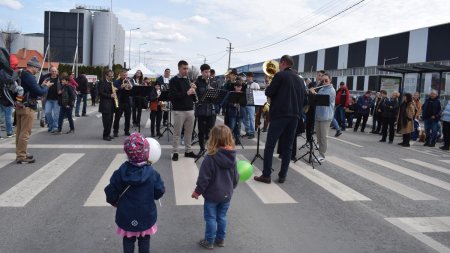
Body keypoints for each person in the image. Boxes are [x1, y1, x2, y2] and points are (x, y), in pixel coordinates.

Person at [105, 132, 165, 253]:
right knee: (144, 239)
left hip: (126, 214)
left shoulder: (121, 172)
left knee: (128, 239)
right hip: (146, 214)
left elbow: (111, 191)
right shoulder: (152, 173)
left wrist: (113, 201)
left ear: (127, 153)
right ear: (146, 152)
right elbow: (159, 191)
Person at [254, 55, 306, 184]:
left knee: (270, 145)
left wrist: (269, 86)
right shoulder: (300, 79)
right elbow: (305, 100)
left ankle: (266, 175)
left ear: (283, 63)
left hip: (280, 115)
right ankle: (283, 175)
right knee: (287, 147)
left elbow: (269, 93)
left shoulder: (280, 75)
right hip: (295, 116)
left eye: (279, 64)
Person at [191, 125, 239, 250]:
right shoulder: (233, 157)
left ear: (213, 139)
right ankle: (221, 239)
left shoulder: (210, 158)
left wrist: (197, 192)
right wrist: (231, 187)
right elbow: (236, 177)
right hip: (226, 195)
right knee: (222, 217)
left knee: (211, 218)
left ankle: (209, 241)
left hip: (212, 195)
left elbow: (203, 179)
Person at [16, 57, 52, 163]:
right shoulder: (30, 77)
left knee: (19, 132)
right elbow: (39, 92)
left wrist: (41, 85)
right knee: (25, 132)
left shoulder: (21, 75)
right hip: (28, 107)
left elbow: (33, 89)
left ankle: (20, 152)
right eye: (37, 68)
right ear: (32, 67)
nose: (37, 71)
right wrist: (46, 87)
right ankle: (22, 156)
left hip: (20, 105)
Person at [169, 60, 197, 161]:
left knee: (189, 132)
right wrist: (187, 92)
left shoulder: (188, 80)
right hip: (179, 110)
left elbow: (192, 97)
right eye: (184, 68)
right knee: (177, 133)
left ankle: (188, 151)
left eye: (187, 68)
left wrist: (194, 91)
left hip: (190, 109)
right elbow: (173, 96)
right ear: (179, 68)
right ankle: (175, 152)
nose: (186, 70)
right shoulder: (173, 80)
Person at [311, 73, 336, 161]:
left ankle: (322, 155)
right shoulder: (321, 89)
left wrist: (315, 94)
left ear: (330, 81)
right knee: (318, 136)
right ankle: (319, 152)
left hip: (326, 116)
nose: (324, 82)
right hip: (318, 115)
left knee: (323, 137)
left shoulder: (332, 90)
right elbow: (316, 101)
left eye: (326, 80)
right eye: (323, 81)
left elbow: (325, 101)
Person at [195, 64, 216, 153]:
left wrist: (213, 92)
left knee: (211, 130)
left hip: (211, 110)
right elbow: (196, 97)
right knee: (201, 131)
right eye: (205, 72)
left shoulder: (213, 82)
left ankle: (210, 147)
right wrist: (206, 92)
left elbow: (217, 95)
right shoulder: (197, 82)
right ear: (202, 72)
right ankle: (202, 148)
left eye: (209, 72)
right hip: (201, 110)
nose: (208, 74)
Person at [40, 66, 61, 133]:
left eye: (55, 71)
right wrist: (42, 85)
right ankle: (51, 126)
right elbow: (42, 87)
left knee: (56, 114)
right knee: (47, 112)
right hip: (48, 99)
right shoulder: (47, 79)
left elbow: (64, 86)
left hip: (57, 99)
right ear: (50, 72)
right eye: (52, 71)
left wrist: (61, 91)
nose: (54, 72)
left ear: (57, 72)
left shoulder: (59, 79)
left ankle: (55, 127)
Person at [113, 69, 132, 137]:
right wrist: (120, 87)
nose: (125, 76)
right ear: (120, 75)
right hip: (120, 101)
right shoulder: (116, 82)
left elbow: (131, 91)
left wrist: (130, 87)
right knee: (117, 117)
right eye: (124, 75)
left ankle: (126, 131)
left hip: (127, 102)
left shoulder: (128, 81)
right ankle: (115, 131)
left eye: (126, 75)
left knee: (128, 117)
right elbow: (114, 90)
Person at [225, 80, 246, 145]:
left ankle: (237, 140)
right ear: (234, 87)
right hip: (232, 112)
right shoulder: (231, 93)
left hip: (241, 112)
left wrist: (240, 104)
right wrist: (233, 104)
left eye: (240, 87)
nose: (239, 88)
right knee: (232, 126)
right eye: (237, 87)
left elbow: (245, 103)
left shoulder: (243, 94)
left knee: (238, 126)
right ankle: (229, 140)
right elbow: (227, 102)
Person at [99, 70, 116, 141]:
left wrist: (115, 90)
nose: (111, 77)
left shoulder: (111, 83)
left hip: (111, 105)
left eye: (112, 76)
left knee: (110, 121)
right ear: (106, 76)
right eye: (110, 76)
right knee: (106, 121)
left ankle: (108, 134)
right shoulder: (102, 82)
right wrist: (110, 95)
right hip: (105, 105)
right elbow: (101, 93)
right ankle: (105, 135)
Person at [243, 72, 260, 139]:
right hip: (245, 103)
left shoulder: (255, 84)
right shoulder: (245, 84)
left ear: (251, 77)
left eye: (249, 77)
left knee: (252, 119)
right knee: (245, 119)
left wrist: (257, 108)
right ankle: (248, 132)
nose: (247, 78)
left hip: (252, 104)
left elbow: (258, 95)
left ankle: (252, 133)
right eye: (247, 77)